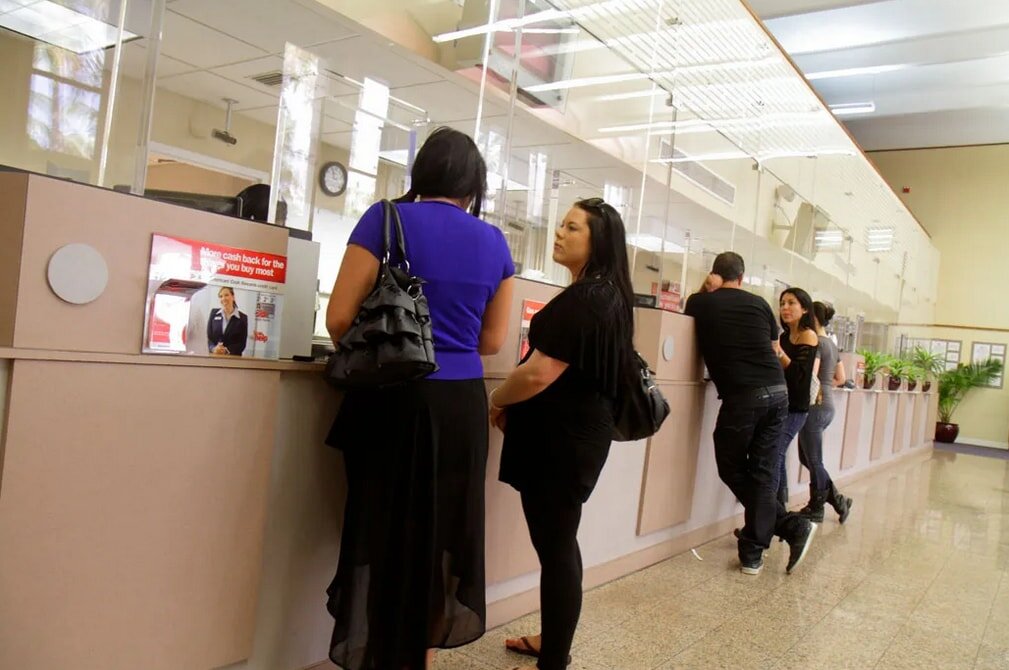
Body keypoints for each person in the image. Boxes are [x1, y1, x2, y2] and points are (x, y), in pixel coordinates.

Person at [323, 127, 515, 670]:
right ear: (474, 186)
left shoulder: (385, 220)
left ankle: (382, 650)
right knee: (442, 531)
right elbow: (493, 341)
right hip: (460, 407)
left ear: (420, 172)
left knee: (383, 525)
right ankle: (421, 654)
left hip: (393, 400)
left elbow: (338, 317)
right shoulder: (494, 243)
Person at [491, 198, 634, 670]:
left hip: (561, 444)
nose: (559, 233)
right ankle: (553, 640)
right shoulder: (606, 294)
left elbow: (538, 374)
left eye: (572, 228)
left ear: (598, 240)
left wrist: (497, 399)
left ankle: (555, 655)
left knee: (556, 547)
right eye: (560, 225)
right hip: (570, 438)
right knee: (557, 543)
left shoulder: (590, 297)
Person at [684, 252, 816, 576]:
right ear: (742, 278)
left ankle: (785, 527)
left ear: (714, 275)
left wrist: (705, 287)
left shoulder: (700, 302)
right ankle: (754, 552)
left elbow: (688, 319)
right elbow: (772, 346)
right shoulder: (759, 305)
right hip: (779, 394)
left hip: (744, 397)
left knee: (730, 465)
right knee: (762, 471)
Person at [796, 302, 854, 523]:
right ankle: (838, 500)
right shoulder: (831, 344)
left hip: (814, 406)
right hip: (827, 405)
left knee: (813, 459)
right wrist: (825, 385)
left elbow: (809, 374)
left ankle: (818, 506)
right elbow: (840, 378)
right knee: (808, 458)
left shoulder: (816, 343)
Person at [773, 288, 821, 509]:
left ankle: (778, 510)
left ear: (804, 309)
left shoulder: (808, 336)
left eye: (791, 303)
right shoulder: (782, 337)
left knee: (776, 451)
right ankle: (779, 509)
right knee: (776, 454)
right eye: (782, 303)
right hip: (779, 403)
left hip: (797, 408)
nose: (785, 308)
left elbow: (799, 375)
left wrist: (779, 352)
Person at [206, 286, 247, 356]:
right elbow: (209, 338)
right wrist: (213, 348)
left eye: (226, 295)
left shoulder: (243, 318)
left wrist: (226, 350)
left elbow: (241, 344)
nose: (223, 298)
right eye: (221, 296)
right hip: (214, 357)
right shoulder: (213, 313)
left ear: (233, 297)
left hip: (232, 359)